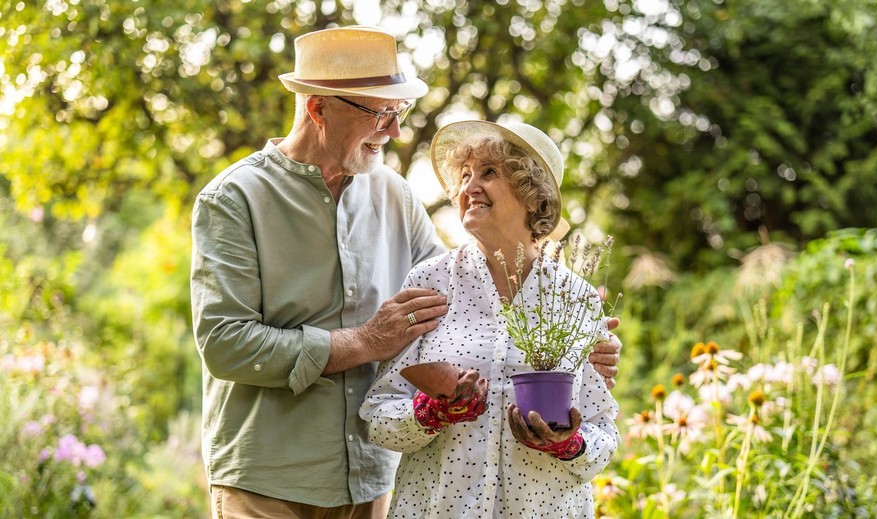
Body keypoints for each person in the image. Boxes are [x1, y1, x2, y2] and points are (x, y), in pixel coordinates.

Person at [191, 25, 621, 519]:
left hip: (369, 482)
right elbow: (225, 343)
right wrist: (365, 343)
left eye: (400, 114)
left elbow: (471, 298)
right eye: (382, 113)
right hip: (271, 477)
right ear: (319, 108)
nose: (395, 131)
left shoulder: (395, 195)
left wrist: (592, 344)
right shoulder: (235, 199)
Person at [360, 120, 620, 519]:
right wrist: (431, 412)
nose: (469, 188)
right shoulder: (429, 283)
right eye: (464, 176)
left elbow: (603, 432)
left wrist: (568, 444)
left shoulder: (576, 299)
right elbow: (379, 415)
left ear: (533, 194)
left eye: (489, 173)